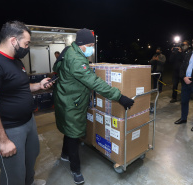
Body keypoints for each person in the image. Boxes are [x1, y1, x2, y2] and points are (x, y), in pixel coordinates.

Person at [52, 28, 134, 184]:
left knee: (69, 130)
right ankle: (75, 170)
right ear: (81, 44)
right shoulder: (76, 59)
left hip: (66, 97)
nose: (92, 48)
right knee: (74, 134)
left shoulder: (70, 51)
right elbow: (94, 82)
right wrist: (119, 96)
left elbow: (59, 69)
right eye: (90, 45)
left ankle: (64, 154)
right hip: (71, 102)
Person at [0, 21, 53, 185]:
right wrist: (3, 141)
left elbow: (20, 87)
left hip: (28, 121)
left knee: (32, 156)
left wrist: (39, 85)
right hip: (9, 128)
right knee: (14, 173)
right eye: (26, 43)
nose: (27, 48)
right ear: (13, 40)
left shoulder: (15, 61)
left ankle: (29, 182)